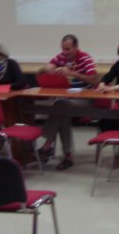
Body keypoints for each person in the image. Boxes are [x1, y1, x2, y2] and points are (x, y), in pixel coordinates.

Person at [37, 34, 98, 170]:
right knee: (62, 109)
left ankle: (47, 145)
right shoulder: (60, 58)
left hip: (85, 101)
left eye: (68, 49)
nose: (65, 52)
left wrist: (72, 73)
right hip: (67, 100)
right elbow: (39, 73)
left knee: (61, 106)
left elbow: (95, 80)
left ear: (76, 47)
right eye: (63, 49)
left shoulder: (85, 58)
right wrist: (45, 68)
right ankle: (67, 156)